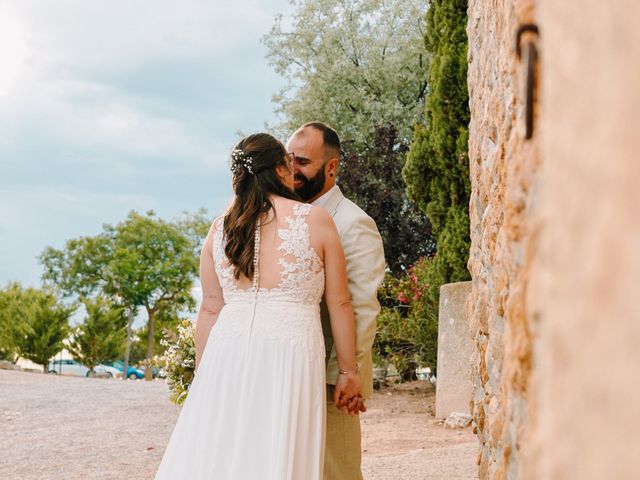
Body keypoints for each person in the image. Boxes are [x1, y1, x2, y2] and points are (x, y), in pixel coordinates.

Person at [154, 133, 363, 480]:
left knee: (224, 450)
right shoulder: (315, 220)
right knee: (278, 448)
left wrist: (204, 377)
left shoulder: (219, 228)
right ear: (281, 168)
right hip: (290, 350)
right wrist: (348, 371)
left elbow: (209, 308)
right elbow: (340, 301)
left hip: (227, 349)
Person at [287, 122, 386, 480]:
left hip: (331, 382)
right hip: (290, 371)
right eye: (288, 160)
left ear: (331, 168)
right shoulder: (288, 219)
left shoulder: (354, 223)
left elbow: (361, 307)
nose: (292, 170)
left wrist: (343, 375)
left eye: (302, 162)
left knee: (335, 470)